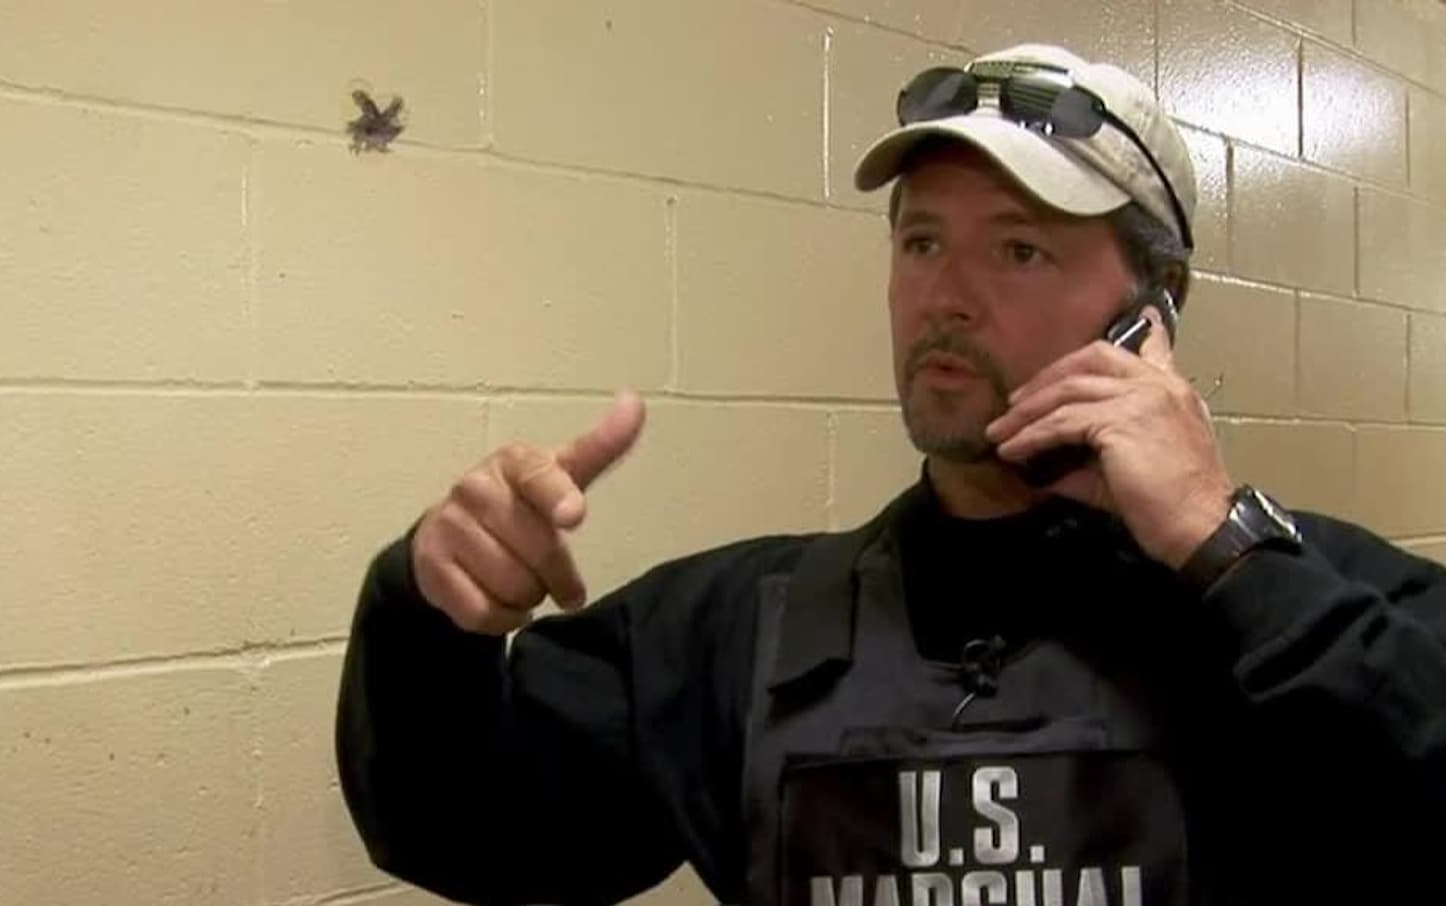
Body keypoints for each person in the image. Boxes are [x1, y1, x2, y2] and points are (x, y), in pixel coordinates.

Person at [335, 44, 1446, 906]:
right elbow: (453, 829)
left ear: (1153, 310)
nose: (945, 298)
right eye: (921, 244)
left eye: (1018, 249)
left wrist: (1225, 546)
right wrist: (428, 614)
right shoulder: (741, 634)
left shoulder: (1308, 613)